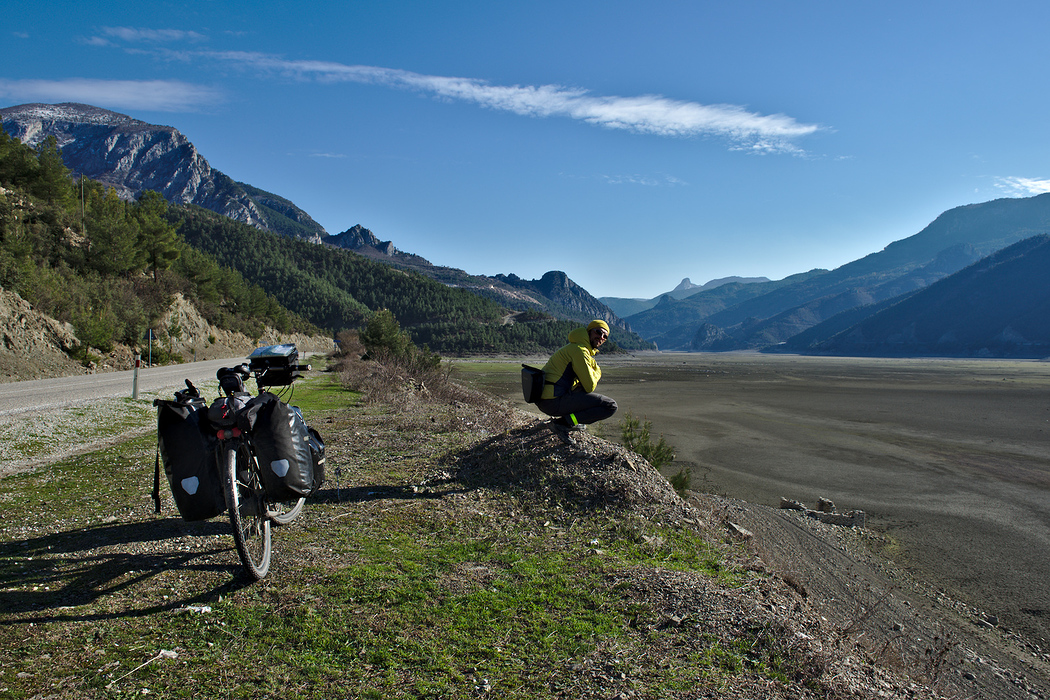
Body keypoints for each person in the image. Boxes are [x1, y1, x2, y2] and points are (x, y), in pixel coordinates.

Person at [535, 320, 618, 434]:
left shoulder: (576, 347)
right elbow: (589, 386)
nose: (601, 337)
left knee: (581, 388)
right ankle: (563, 423)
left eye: (605, 336)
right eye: (598, 332)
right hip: (553, 401)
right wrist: (598, 371)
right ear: (589, 331)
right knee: (610, 406)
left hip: (547, 399)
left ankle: (569, 421)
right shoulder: (580, 351)